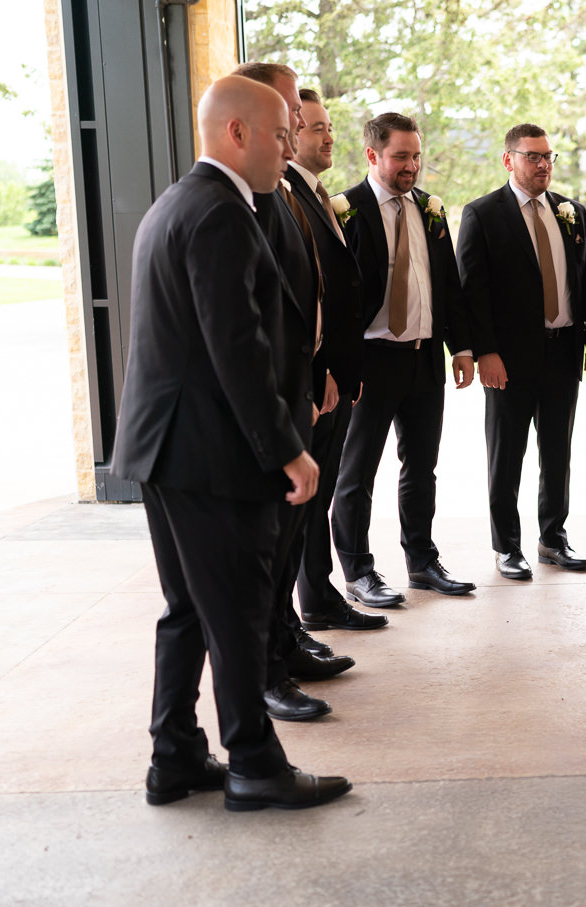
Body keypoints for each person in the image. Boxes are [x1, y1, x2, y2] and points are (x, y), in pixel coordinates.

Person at [112, 74, 350, 812]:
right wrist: (287, 447)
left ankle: (174, 754)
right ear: (236, 133)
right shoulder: (218, 213)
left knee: (188, 607)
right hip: (209, 454)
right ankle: (252, 761)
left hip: (168, 450)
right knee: (238, 611)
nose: (291, 146)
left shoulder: (179, 203)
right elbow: (235, 347)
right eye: (281, 134)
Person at [231, 62, 349, 725]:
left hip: (307, 384)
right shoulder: (252, 198)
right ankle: (270, 671)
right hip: (278, 402)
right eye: (288, 113)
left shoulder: (287, 190)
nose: (298, 125)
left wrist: (322, 367)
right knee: (270, 552)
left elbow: (310, 295)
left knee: (293, 535)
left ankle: (289, 637)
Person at [331, 112, 476, 608]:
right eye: (400, 156)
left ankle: (421, 562)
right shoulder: (345, 210)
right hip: (370, 361)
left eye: (416, 155)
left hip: (423, 359)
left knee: (422, 467)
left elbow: (447, 285)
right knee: (358, 470)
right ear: (373, 155)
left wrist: (460, 347)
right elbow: (335, 299)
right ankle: (358, 571)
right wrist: (341, 367)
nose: (411, 165)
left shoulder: (430, 210)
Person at [456, 123, 586, 580]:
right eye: (532, 156)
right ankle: (506, 546)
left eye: (548, 157)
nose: (543, 165)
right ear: (509, 160)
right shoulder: (482, 214)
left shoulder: (572, 212)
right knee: (507, 453)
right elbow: (472, 291)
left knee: (557, 451)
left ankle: (553, 537)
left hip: (563, 352)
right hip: (509, 357)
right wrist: (485, 351)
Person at [286, 89, 389, 635]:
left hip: (338, 372)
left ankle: (320, 597)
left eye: (328, 127)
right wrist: (323, 369)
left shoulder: (317, 194)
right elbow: (305, 296)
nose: (327, 136)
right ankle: (310, 607)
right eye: (314, 127)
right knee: (307, 500)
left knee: (320, 493)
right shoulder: (287, 197)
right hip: (317, 376)